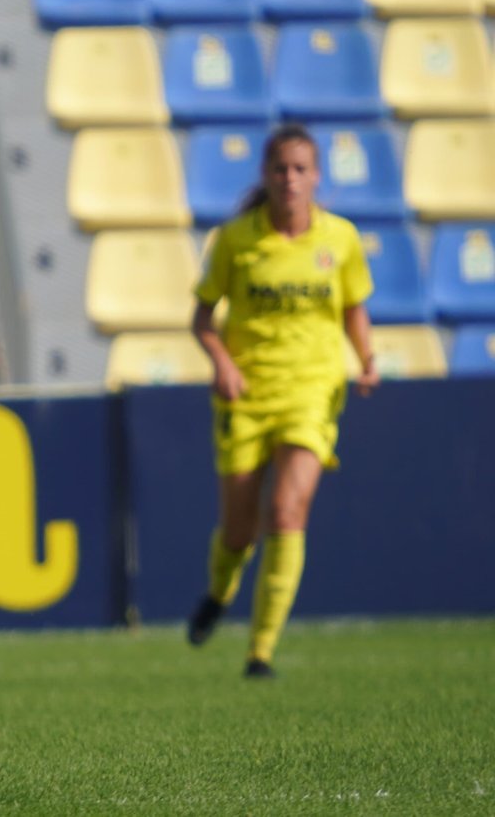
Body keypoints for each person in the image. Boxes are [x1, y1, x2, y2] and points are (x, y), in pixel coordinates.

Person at [185, 124, 379, 678]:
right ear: (265, 176)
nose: (290, 179)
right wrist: (222, 363)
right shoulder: (235, 241)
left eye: (300, 169)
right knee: (239, 529)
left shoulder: (340, 240)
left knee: (287, 511)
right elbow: (202, 318)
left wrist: (367, 358)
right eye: (280, 169)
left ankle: (261, 651)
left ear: (317, 177)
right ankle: (219, 593)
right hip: (247, 394)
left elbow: (353, 308)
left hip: (312, 391)